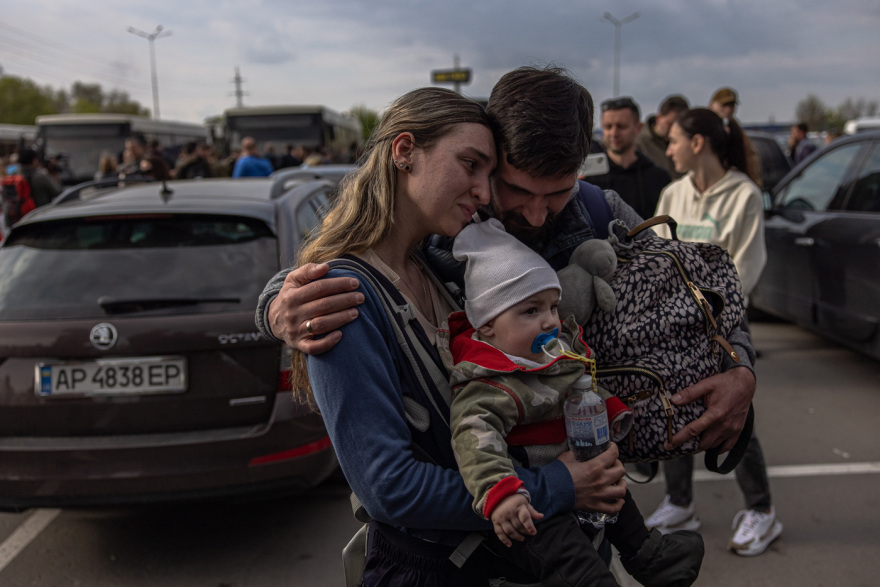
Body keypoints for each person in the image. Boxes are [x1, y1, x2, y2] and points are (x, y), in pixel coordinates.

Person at [257, 66, 758, 580]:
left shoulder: (599, 211)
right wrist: (277, 306)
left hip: (583, 522)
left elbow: (693, 296)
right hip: (474, 540)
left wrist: (741, 365)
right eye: (516, 191)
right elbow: (350, 260)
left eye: (558, 193)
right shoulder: (443, 227)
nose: (539, 215)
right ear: (495, 159)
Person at [443, 217, 703, 586]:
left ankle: (647, 553)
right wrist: (502, 494)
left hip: (581, 465)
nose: (549, 321)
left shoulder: (552, 351)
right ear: (487, 325)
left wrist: (610, 410)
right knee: (568, 557)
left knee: (616, 493)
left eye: (551, 307)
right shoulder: (489, 383)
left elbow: (581, 382)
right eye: (530, 311)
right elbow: (474, 443)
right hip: (533, 503)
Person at [648, 107, 783, 558]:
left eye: (674, 141)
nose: (669, 150)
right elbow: (657, 259)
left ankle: (762, 511)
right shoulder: (672, 193)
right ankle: (680, 502)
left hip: (726, 327)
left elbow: (747, 266)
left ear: (698, 142)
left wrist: (709, 315)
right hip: (677, 324)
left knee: (733, 413)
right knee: (678, 408)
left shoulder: (744, 194)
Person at [590, 97, 671, 219]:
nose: (614, 133)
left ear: (638, 128)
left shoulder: (658, 178)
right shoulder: (589, 178)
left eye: (621, 126)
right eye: (608, 127)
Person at [707, 87, 763, 188]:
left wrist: (754, 185)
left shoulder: (737, 132)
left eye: (732, 105)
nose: (728, 109)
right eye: (724, 105)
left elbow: (751, 159)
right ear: (711, 105)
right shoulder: (702, 129)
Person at [636, 94, 689, 179]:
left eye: (679, 125)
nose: (674, 129)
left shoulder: (685, 144)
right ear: (659, 118)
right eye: (670, 124)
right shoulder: (639, 143)